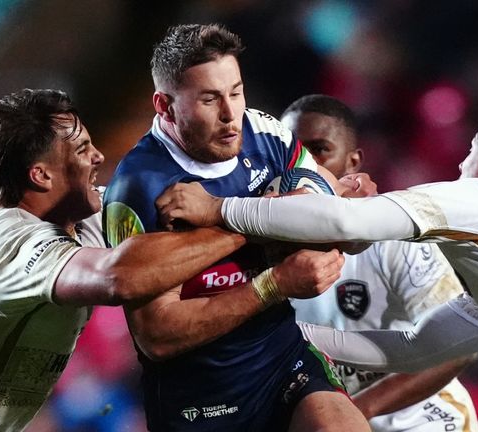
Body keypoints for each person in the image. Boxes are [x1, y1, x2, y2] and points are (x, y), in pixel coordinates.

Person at [157, 104, 478, 429]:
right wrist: (278, 333)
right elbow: (411, 347)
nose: (458, 165)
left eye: (470, 151)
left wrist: (219, 208)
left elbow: (345, 219)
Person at [0, 88, 270, 432]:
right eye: (82, 149)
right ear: (42, 176)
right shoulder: (5, 243)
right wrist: (248, 225)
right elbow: (120, 278)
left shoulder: (76, 219)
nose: (98, 156)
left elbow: (176, 205)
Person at [103, 24, 371, 431]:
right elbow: (157, 335)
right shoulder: (138, 189)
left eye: (236, 91)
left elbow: (324, 198)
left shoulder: (263, 131)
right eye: (210, 99)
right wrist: (274, 278)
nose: (231, 115)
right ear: (165, 106)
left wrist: (225, 215)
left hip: (283, 359)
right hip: (200, 397)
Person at [282, 94, 478, 431]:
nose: (304, 165)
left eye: (319, 150)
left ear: (353, 162)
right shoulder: (257, 244)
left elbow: (458, 347)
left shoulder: (397, 237)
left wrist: (358, 411)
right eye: (292, 152)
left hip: (421, 418)